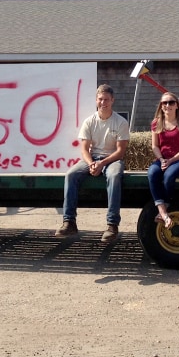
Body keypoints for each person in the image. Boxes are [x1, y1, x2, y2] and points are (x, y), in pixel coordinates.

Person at [55, 84, 130, 243]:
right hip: (93, 158)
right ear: (96, 100)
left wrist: (102, 163)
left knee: (115, 175)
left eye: (107, 100)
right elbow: (84, 149)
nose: (104, 103)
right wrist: (91, 164)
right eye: (101, 99)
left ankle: (112, 225)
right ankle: (69, 222)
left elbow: (120, 152)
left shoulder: (121, 122)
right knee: (70, 175)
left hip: (112, 159)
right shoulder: (89, 121)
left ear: (112, 101)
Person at [148, 92, 179, 228]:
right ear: (161, 106)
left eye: (171, 102)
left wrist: (171, 160)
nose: (168, 105)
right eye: (165, 103)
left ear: (177, 105)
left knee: (169, 176)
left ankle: (167, 206)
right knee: (152, 173)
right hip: (162, 159)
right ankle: (162, 211)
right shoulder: (156, 123)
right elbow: (155, 146)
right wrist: (161, 159)